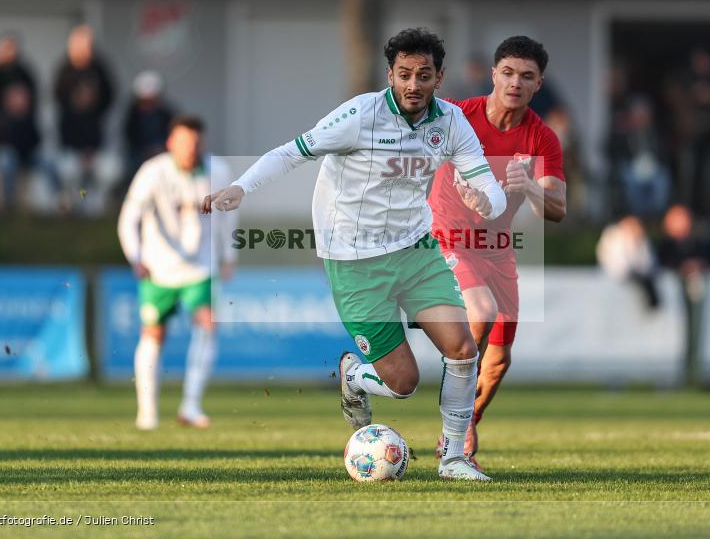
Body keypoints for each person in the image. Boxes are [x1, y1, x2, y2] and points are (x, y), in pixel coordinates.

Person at [203, 28, 506, 481]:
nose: (413, 84)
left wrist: (488, 201)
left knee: (462, 349)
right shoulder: (360, 115)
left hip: (415, 249)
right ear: (390, 75)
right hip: (354, 260)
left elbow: (489, 187)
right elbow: (292, 152)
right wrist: (241, 187)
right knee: (403, 383)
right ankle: (353, 376)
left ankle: (454, 458)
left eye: (424, 75)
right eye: (404, 74)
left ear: (439, 78)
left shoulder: (451, 123)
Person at [427, 35, 566, 470]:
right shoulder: (457, 116)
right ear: (493, 74)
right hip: (447, 234)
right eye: (507, 73)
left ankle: (466, 423)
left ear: (538, 82)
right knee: (481, 312)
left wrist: (528, 187)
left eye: (526, 76)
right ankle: (454, 431)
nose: (515, 83)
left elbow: (558, 208)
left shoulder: (541, 139)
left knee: (501, 359)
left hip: (497, 248)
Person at [118, 115, 236, 430]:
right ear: (171, 143)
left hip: (201, 266)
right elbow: (129, 216)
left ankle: (191, 405)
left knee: (207, 325)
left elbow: (228, 218)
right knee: (153, 334)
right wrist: (135, 256)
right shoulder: (153, 172)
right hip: (159, 268)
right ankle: (147, 412)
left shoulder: (218, 171)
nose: (190, 148)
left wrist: (229, 254)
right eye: (184, 141)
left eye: (196, 142)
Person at [54, 25, 115, 210]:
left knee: (110, 170)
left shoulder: (99, 69)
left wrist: (91, 151)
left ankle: (95, 204)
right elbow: (59, 101)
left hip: (96, 149)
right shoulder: (65, 71)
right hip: (71, 150)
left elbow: (110, 96)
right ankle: (76, 202)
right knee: (70, 172)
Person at [0, 34, 42, 210]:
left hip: (28, 146)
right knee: (7, 164)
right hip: (2, 143)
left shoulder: (26, 74)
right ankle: (7, 207)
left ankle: (67, 204)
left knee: (51, 167)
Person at [596, 215, 659, 309]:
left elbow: (648, 262)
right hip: (617, 278)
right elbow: (618, 264)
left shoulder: (641, 239)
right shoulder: (614, 236)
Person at [124, 70, 174, 175]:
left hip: (164, 154)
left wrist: (160, 149)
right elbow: (129, 138)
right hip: (138, 157)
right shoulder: (132, 116)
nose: (147, 105)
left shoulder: (168, 115)